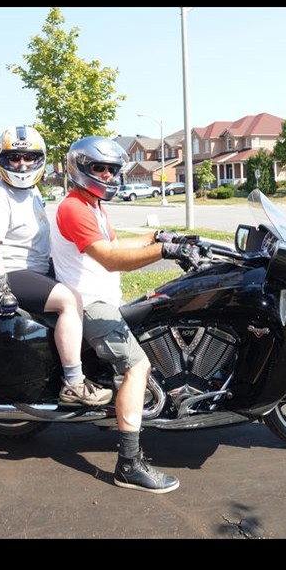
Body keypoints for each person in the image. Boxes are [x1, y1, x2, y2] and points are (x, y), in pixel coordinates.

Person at [50, 136, 200, 494]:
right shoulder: (74, 207)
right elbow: (110, 258)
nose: (105, 174)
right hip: (90, 303)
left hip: (103, 297)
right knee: (137, 366)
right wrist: (163, 250)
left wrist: (156, 235)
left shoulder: (93, 206)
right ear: (78, 168)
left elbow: (116, 245)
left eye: (111, 169)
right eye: (98, 167)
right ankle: (129, 464)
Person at [0, 126, 112, 406]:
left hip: (36, 269)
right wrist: (1, 286)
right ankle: (73, 383)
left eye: (29, 157)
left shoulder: (32, 192)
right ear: (2, 160)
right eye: (14, 158)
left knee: (85, 291)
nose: (22, 164)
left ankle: (96, 367)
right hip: (14, 271)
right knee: (69, 300)